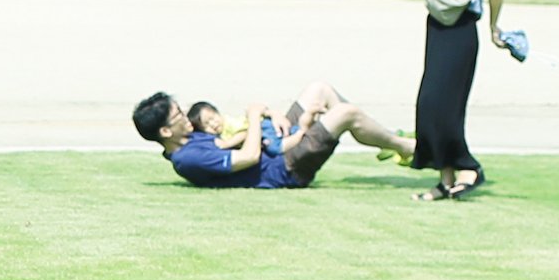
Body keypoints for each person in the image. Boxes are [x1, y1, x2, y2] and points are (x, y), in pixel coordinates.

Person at [413, 0, 512, 199]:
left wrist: (494, 26)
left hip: (459, 29)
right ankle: (445, 179)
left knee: (444, 105)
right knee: (431, 105)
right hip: (439, 26)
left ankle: (469, 168)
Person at [133, 84, 414, 189]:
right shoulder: (188, 159)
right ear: (166, 132)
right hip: (285, 169)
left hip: (278, 144)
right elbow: (248, 156)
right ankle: (408, 147)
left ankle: (387, 141)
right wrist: (256, 116)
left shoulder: (191, 136)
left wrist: (271, 114)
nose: (186, 116)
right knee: (345, 114)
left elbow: (234, 131)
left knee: (319, 89)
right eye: (178, 115)